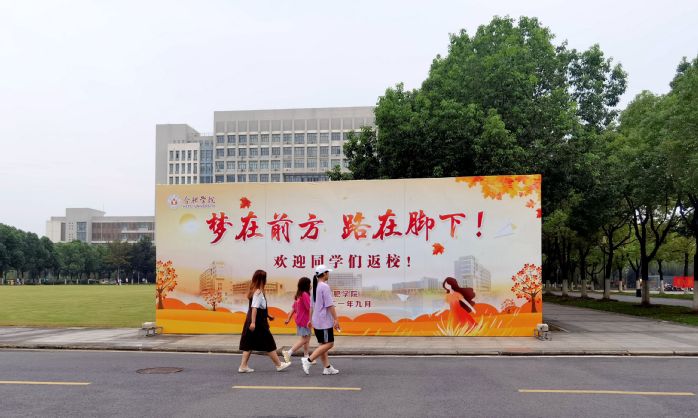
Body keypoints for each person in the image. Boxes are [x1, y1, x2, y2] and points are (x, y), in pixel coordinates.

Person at [238, 269, 291, 373]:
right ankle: (279, 365)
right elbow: (254, 308)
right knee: (269, 343)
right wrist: (253, 323)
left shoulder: (254, 291)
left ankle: (243, 366)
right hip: (258, 323)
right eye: (265, 278)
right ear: (262, 280)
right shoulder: (258, 292)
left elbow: (260, 308)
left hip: (252, 320)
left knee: (249, 343)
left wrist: (268, 315)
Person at [301, 265, 340, 375]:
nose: (329, 274)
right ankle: (308, 360)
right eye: (328, 272)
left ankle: (327, 368)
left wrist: (310, 320)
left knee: (323, 345)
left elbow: (311, 306)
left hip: (317, 321)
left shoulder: (315, 287)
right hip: (324, 322)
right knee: (329, 344)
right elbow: (329, 305)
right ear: (324, 274)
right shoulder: (324, 287)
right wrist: (336, 319)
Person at [282, 277, 316, 364]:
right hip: (305, 321)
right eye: (309, 284)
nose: (310, 285)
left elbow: (293, 308)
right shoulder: (305, 295)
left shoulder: (299, 295)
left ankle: (306, 356)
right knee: (305, 339)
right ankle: (289, 353)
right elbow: (309, 308)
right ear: (306, 285)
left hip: (301, 320)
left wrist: (288, 318)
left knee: (306, 338)